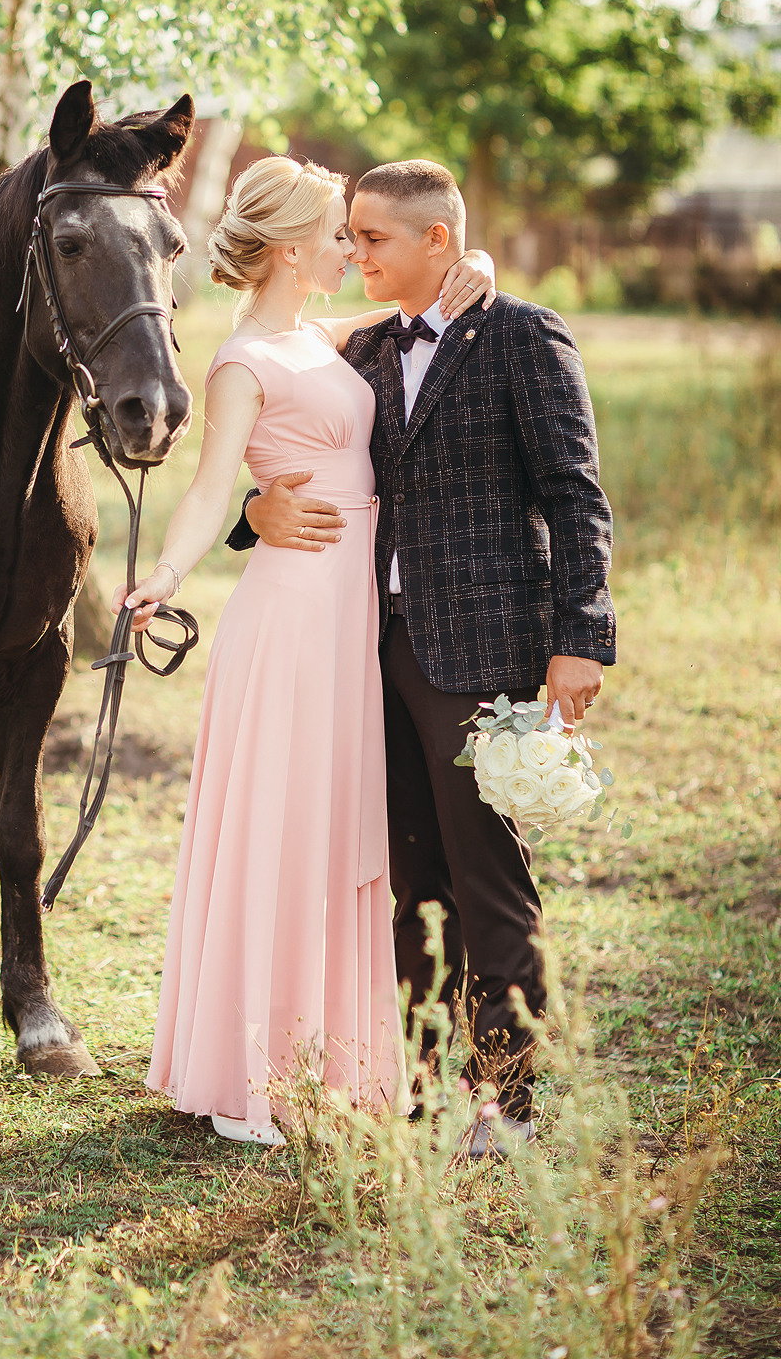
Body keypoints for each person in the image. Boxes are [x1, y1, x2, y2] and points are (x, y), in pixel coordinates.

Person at [231, 160, 616, 1156]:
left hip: (481, 644)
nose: (354, 253)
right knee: (402, 876)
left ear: (435, 241)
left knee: (486, 872)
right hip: (368, 650)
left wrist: (581, 638)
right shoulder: (356, 350)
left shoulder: (523, 336)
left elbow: (575, 496)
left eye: (373, 238)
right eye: (347, 237)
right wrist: (250, 515)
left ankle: (509, 1099)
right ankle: (413, 1076)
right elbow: (290, 438)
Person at [117, 156, 497, 1146]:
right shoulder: (243, 360)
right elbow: (207, 490)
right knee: (281, 839)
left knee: (338, 839)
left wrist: (479, 264)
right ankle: (250, 1077)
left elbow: (411, 318)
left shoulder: (317, 339)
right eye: (339, 235)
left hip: (352, 617)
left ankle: (334, 1058)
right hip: (289, 620)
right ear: (293, 247)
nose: (351, 249)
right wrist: (166, 574)